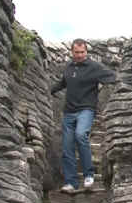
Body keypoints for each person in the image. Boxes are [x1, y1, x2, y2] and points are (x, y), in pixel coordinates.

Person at [50, 39, 116, 193]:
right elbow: (63, 83)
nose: (79, 55)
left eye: (82, 52)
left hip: (86, 110)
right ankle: (71, 183)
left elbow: (112, 77)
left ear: (86, 52)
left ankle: (88, 175)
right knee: (67, 146)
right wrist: (50, 90)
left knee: (81, 135)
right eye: (76, 52)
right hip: (69, 112)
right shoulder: (69, 67)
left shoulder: (94, 67)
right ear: (72, 52)